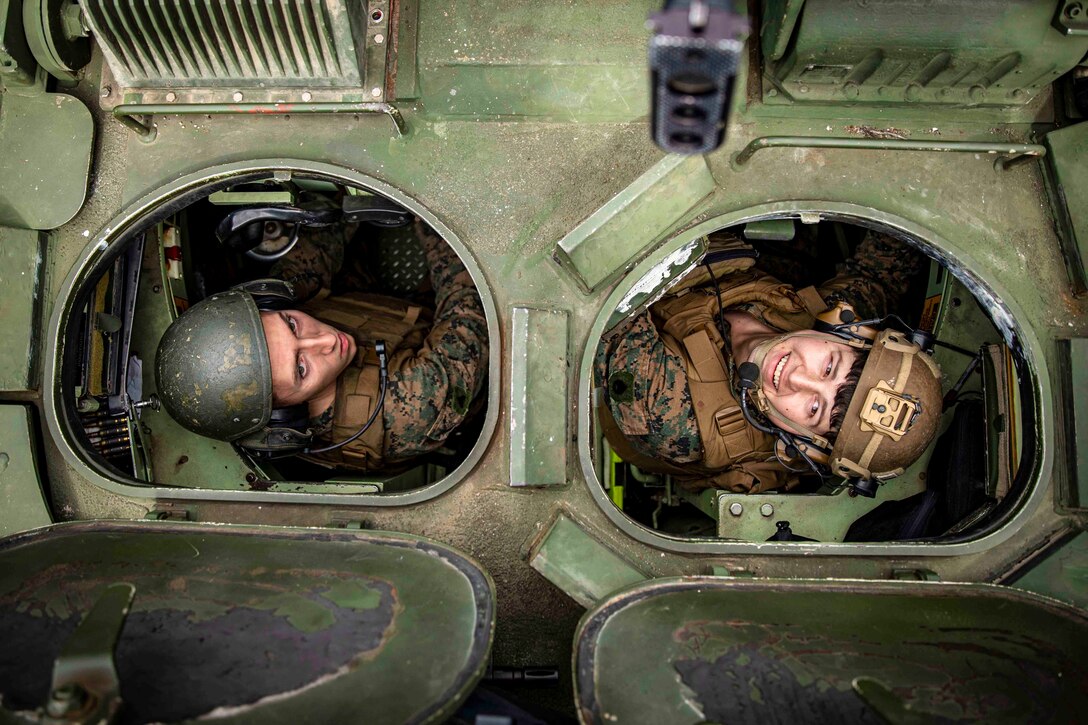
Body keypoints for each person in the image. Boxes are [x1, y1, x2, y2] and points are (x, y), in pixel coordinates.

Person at [595, 228, 943, 495]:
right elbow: (881, 272)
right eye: (827, 368)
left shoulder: (672, 415)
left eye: (813, 409)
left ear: (802, 443)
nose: (796, 378)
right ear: (845, 333)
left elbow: (603, 299)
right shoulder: (840, 317)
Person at [155, 219, 488, 472]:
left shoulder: (278, 315)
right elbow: (472, 303)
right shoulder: (411, 406)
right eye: (301, 368)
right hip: (464, 357)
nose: (326, 341)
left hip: (388, 316)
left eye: (292, 324)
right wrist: (427, 216)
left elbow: (311, 255)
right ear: (284, 415)